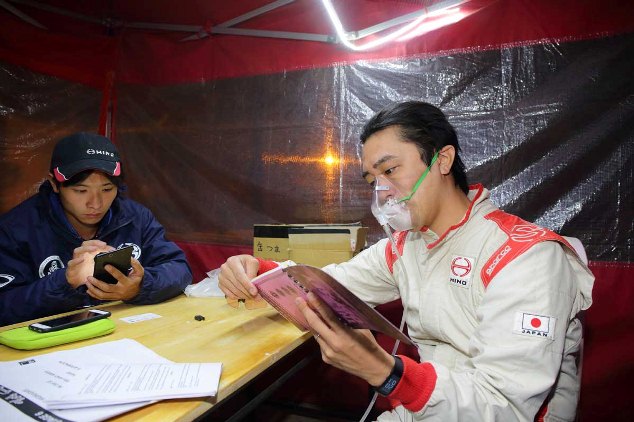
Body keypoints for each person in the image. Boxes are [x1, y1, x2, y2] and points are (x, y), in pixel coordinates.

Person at [218, 101, 594, 421]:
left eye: (390, 170)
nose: (382, 192)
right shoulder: (407, 246)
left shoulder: (526, 257)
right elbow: (327, 284)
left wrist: (386, 372)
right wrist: (256, 273)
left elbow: (505, 406)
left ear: (442, 160)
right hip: (430, 402)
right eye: (372, 180)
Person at [0, 132, 192, 326]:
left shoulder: (135, 218)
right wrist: (64, 282)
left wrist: (140, 286)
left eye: (107, 189)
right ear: (54, 184)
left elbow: (179, 269)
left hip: (121, 334)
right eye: (81, 191)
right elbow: (5, 306)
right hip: (47, 346)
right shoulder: (16, 229)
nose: (95, 204)